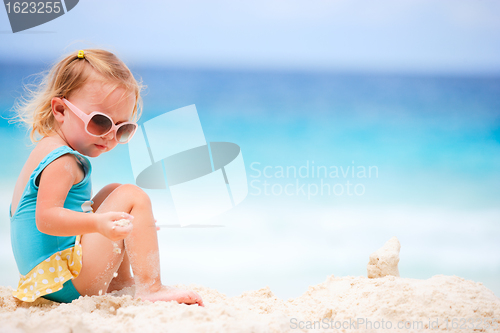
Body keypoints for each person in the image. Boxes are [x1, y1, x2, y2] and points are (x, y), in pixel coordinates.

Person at [9, 49, 204, 306]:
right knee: (132, 196)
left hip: (47, 278)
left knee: (113, 192)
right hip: (63, 283)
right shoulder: (62, 161)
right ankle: (151, 287)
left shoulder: (49, 148)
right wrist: (99, 224)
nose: (110, 136)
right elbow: (46, 220)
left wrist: (114, 224)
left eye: (123, 128)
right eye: (100, 122)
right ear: (60, 110)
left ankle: (120, 281)